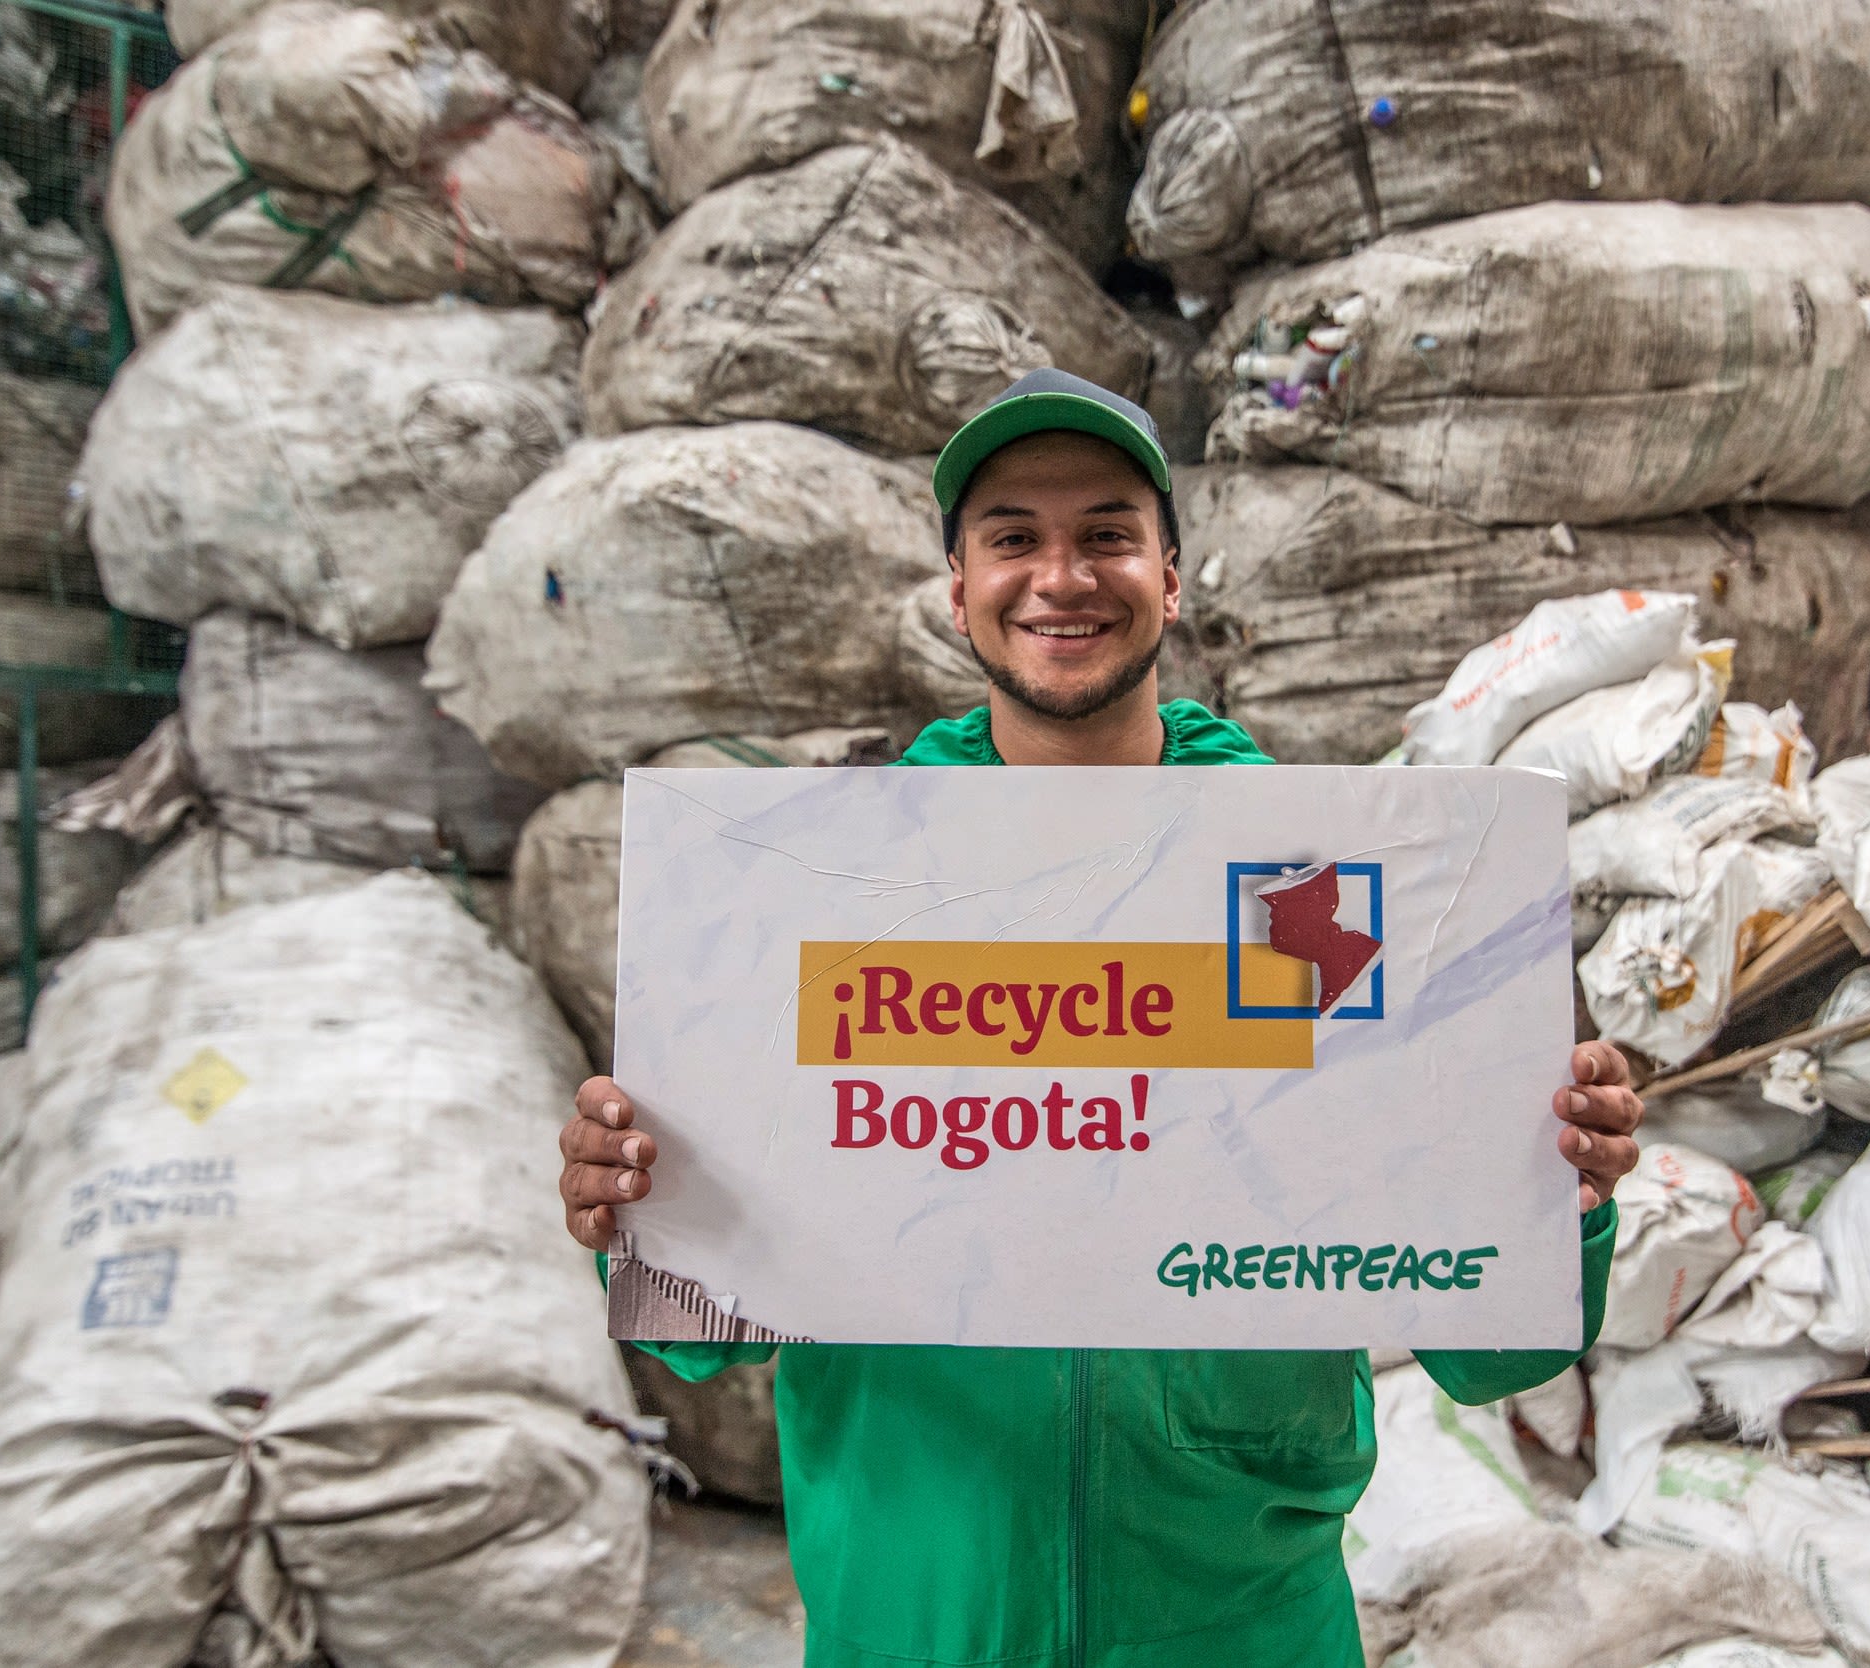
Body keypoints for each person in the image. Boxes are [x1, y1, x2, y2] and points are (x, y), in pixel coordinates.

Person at [558, 370, 1643, 1668]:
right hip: (918, 1615)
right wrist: (634, 1202)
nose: (1060, 576)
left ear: (1171, 581)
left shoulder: (1322, 882)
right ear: (958, 589)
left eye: (1107, 537)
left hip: (1238, 1619)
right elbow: (692, 1327)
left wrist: (1558, 1191)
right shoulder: (825, 890)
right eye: (1013, 537)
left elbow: (1492, 1351)